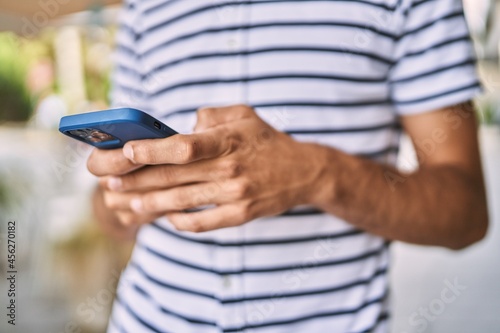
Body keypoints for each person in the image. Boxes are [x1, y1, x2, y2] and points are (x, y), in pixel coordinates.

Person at [87, 0, 488, 332]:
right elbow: (112, 213)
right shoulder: (143, 8)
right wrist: (119, 200)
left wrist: (316, 174)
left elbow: (466, 212)